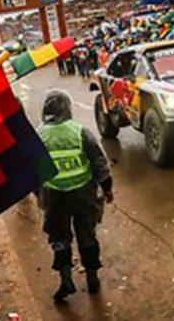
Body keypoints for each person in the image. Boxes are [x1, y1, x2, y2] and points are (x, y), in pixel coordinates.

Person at [37, 90, 114, 301]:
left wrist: (40, 196)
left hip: (54, 196)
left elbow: (33, 171)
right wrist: (107, 187)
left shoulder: (39, 136)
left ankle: (66, 280)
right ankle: (92, 277)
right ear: (67, 108)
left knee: (59, 238)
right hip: (83, 194)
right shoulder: (80, 132)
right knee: (87, 235)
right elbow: (99, 162)